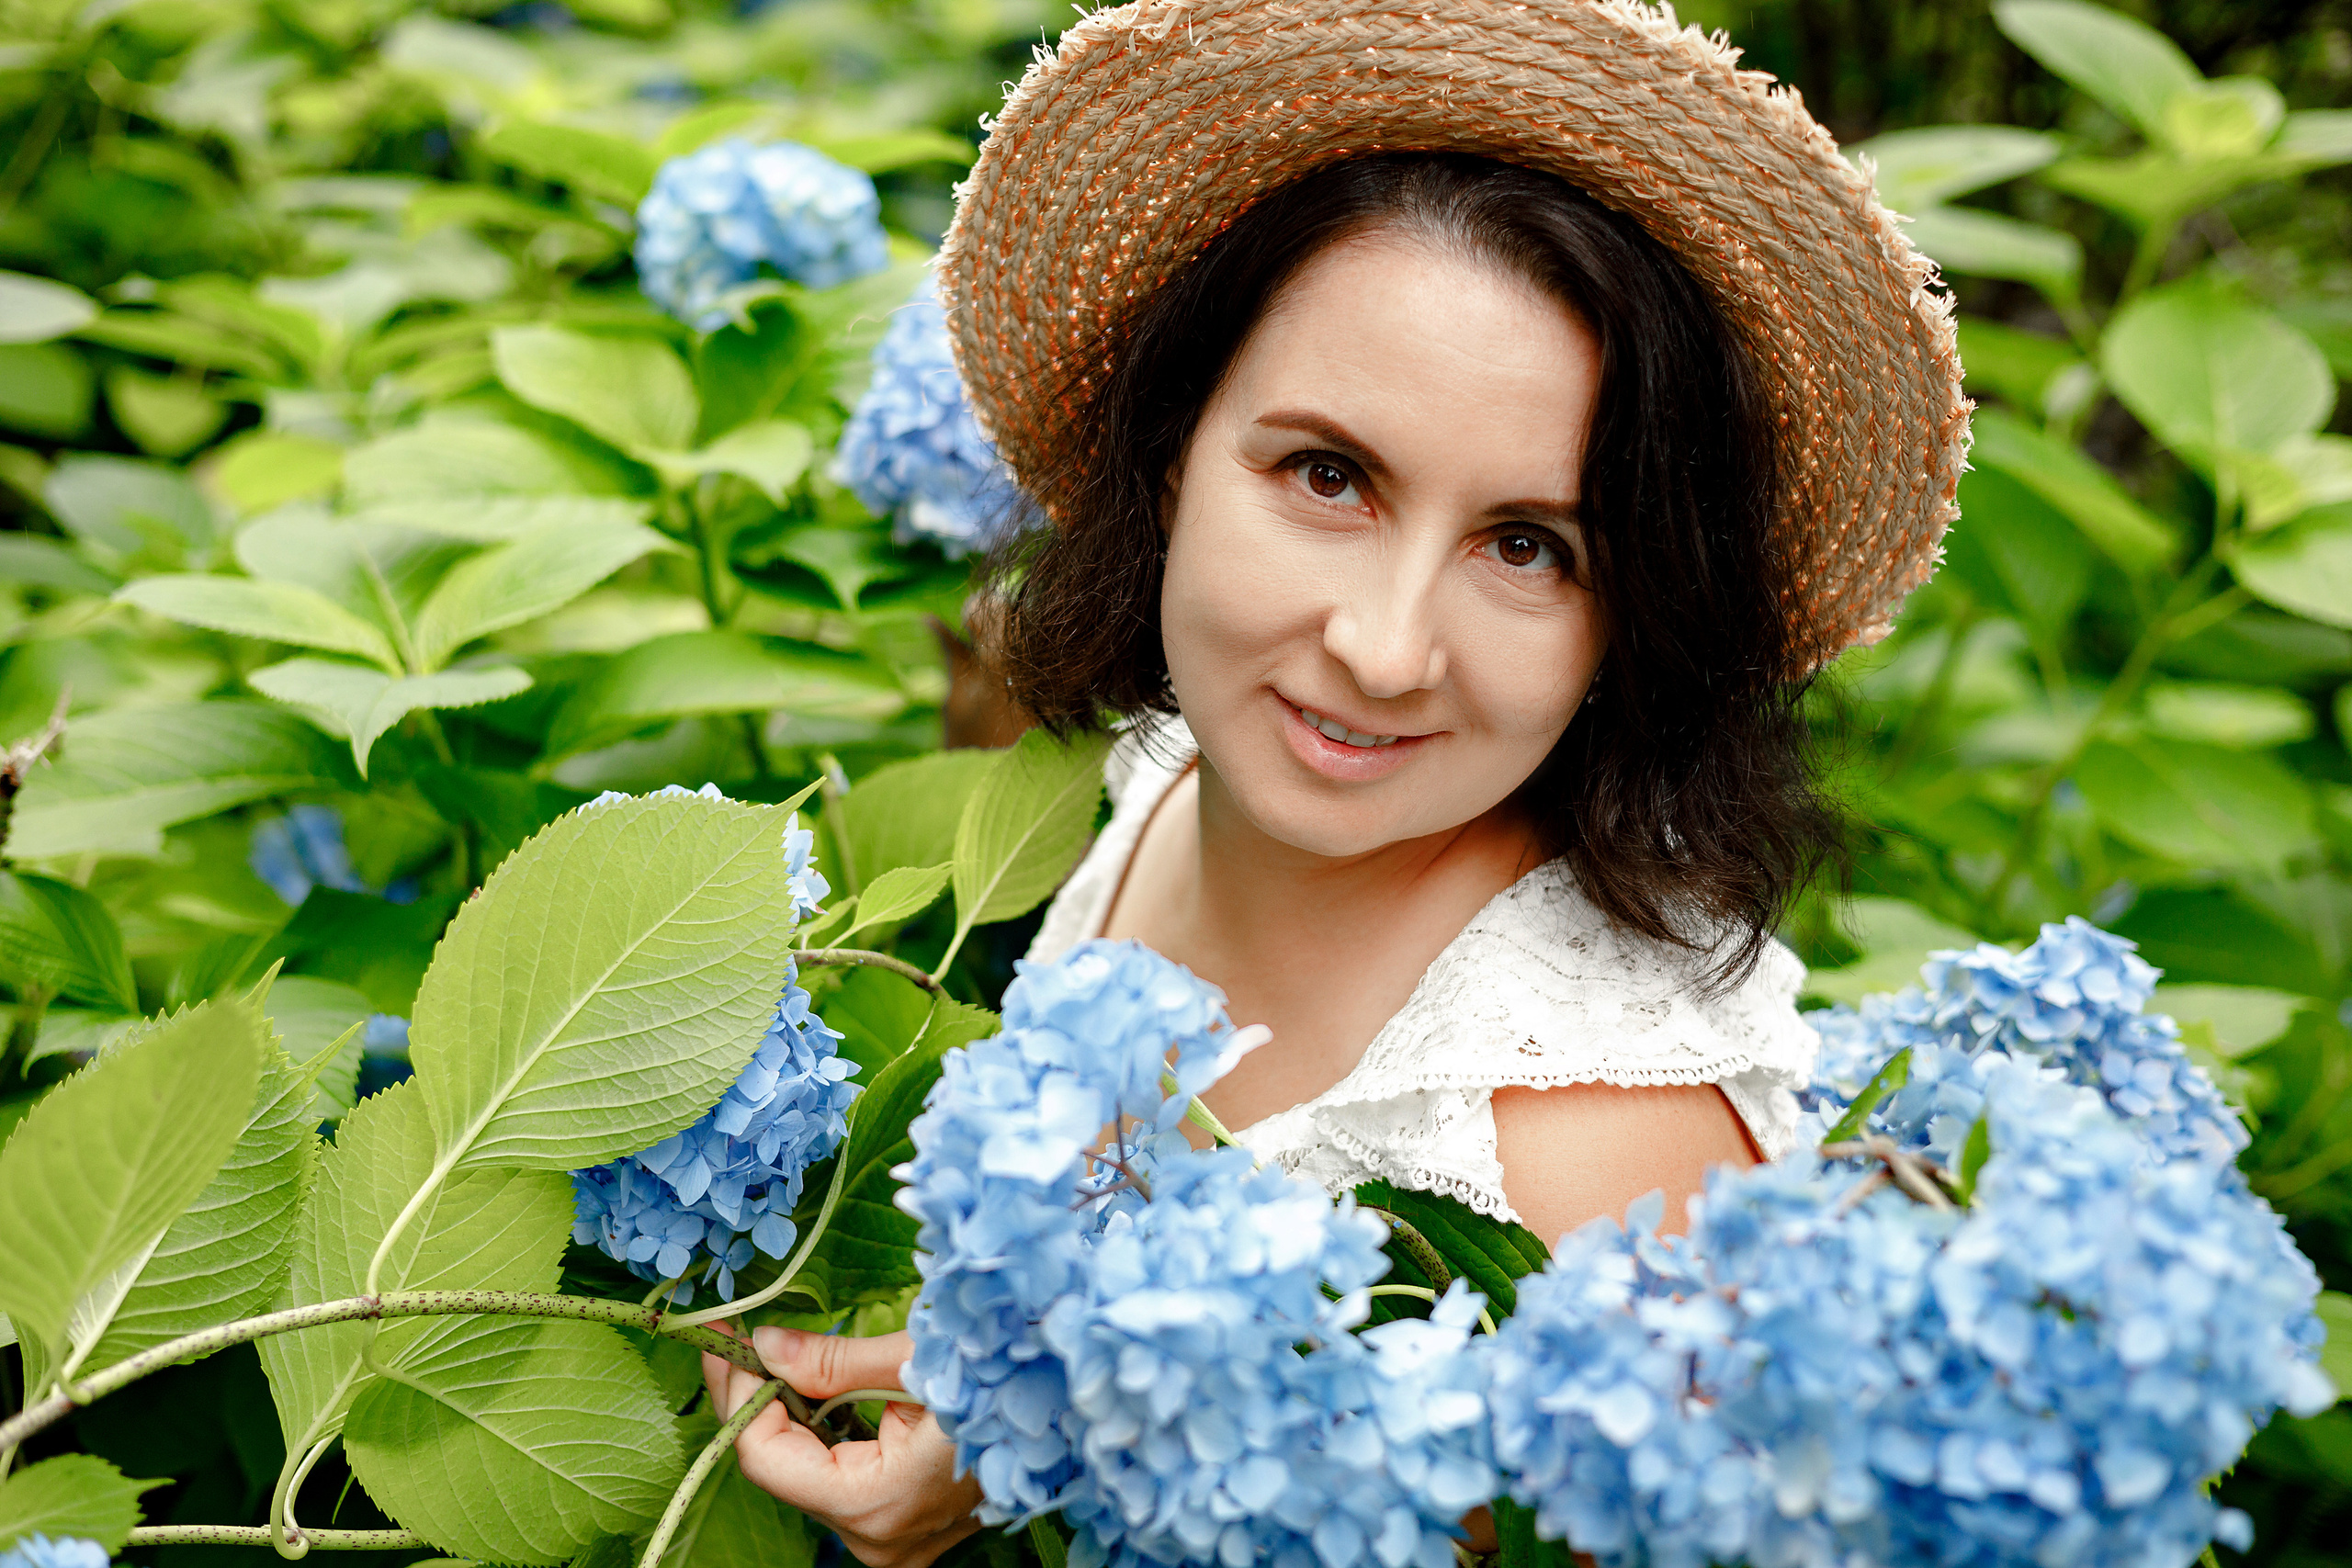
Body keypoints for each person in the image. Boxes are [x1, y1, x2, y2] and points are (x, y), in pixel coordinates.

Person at [705, 1, 1969, 1561]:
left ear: (1632, 617)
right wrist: (1002, 1415)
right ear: (1170, 447)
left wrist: (1043, 1469)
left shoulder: (1598, 1166)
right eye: (1328, 475)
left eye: (1529, 547)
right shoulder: (1157, 773)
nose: (1381, 649)